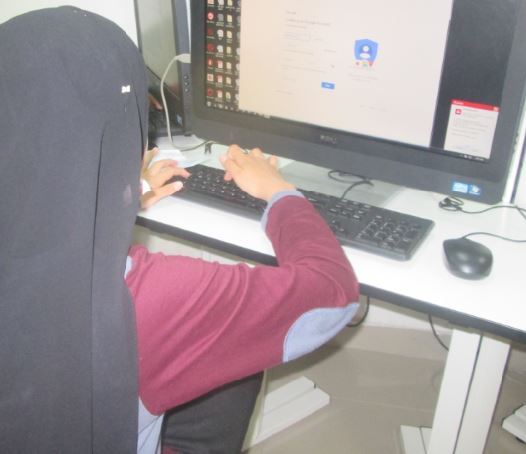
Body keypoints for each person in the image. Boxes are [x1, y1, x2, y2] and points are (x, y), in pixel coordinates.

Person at [0, 7, 360, 454]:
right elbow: (334, 294)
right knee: (233, 345)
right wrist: (280, 192)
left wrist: (117, 197)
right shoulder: (144, 295)